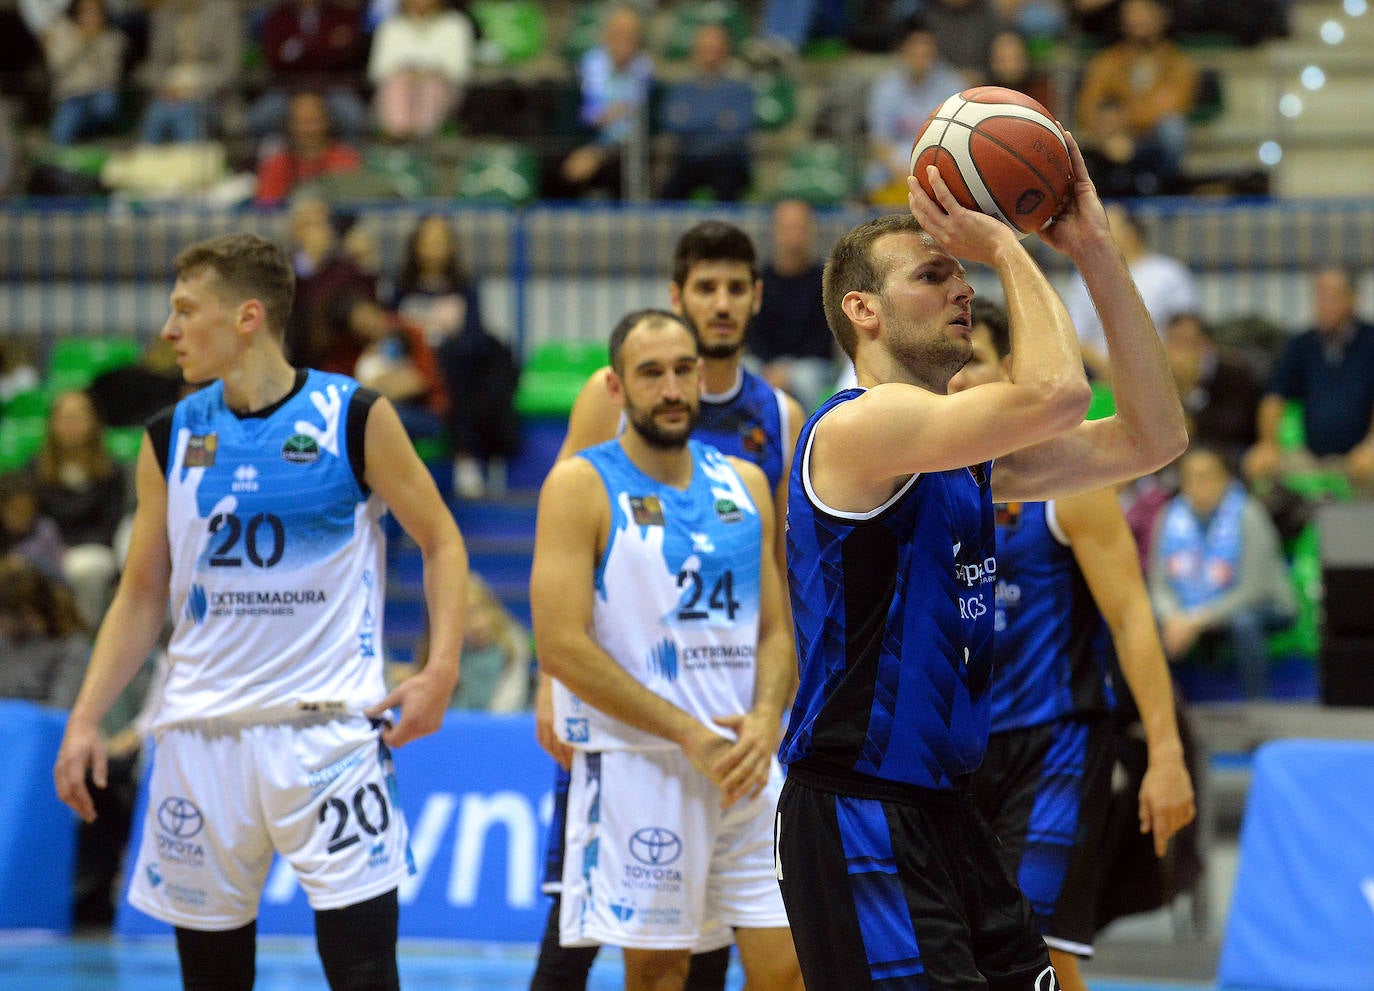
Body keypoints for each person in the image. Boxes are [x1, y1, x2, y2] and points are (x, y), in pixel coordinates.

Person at [775, 130, 1189, 989]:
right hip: (858, 806)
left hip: (946, 809)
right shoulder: (858, 425)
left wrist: (1094, 250)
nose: (963, 285)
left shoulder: (965, 459)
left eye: (962, 271)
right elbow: (1057, 393)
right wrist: (1006, 240)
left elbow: (1156, 436)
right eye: (934, 273)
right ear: (864, 310)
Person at [52, 232, 469, 991]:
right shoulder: (171, 434)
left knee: (366, 974)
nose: (168, 330)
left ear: (247, 316)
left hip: (329, 735)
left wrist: (441, 670)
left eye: (186, 310)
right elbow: (142, 592)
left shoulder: (352, 415)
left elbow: (442, 540)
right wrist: (87, 715)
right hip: (199, 740)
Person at [529, 220, 804, 991]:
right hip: (638, 751)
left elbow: (777, 612)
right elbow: (561, 625)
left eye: (683, 371)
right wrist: (555, 691)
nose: (675, 386)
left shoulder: (754, 456)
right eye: (653, 373)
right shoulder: (587, 472)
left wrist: (766, 718)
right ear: (620, 384)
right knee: (621, 958)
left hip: (746, 755)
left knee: (790, 966)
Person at [949, 298, 1195, 991]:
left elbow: (1131, 619)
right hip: (957, 750)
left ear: (1009, 373)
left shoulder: (1070, 485)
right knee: (969, 955)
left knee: (1037, 953)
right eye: (951, 368)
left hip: (1057, 740)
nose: (959, 381)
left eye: (973, 363)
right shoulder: (928, 480)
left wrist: (1166, 753)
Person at [1150, 446, 1297, 700]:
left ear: (1226, 480)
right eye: (1191, 477)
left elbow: (1254, 589)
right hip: (1188, 612)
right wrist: (1174, 617)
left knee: (1244, 622)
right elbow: (1160, 585)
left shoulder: (1248, 513)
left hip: (1263, 605)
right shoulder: (1169, 517)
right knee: (1144, 619)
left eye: (1207, 476)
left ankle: (1258, 708)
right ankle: (1166, 708)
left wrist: (1196, 620)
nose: (1199, 485)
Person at [389, 213, 518, 500]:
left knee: (456, 368)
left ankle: (465, 457)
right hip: (417, 377)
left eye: (441, 241)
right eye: (428, 241)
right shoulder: (400, 288)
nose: (434, 248)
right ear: (416, 245)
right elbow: (393, 337)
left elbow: (475, 337)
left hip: (458, 375)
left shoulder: (465, 287)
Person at [1243, 266, 1374, 494]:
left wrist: (1370, 445)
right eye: (1319, 296)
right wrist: (1268, 443)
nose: (1323, 304)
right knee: (1258, 464)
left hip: (1360, 452)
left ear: (1353, 298)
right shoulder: (1302, 344)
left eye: (1332, 296)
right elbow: (1274, 398)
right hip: (1310, 453)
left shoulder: (1370, 340)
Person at [1075, 0, 1198, 197]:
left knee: (1173, 129)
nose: (1139, 19)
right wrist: (1111, 133)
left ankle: (1162, 188)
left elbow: (1175, 107)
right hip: (1114, 141)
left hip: (1152, 144)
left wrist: (1123, 119)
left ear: (1161, 18)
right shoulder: (1107, 61)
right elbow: (1088, 108)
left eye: (1145, 12)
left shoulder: (1178, 63)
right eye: (1133, 13)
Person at [1063, 203, 1197, 379]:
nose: (1093, 233)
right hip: (1100, 375)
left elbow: (1186, 330)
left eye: (1104, 226)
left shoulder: (1169, 273)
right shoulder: (1083, 278)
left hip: (1161, 371)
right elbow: (1074, 335)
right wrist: (1106, 368)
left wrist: (1154, 366)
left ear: (1131, 232)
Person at [30, 389, 127, 628]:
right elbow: (32, 521)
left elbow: (110, 525)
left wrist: (67, 550)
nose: (70, 424)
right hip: (47, 549)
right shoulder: (35, 469)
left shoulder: (111, 471)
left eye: (78, 417)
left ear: (93, 422)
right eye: (64, 417)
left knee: (83, 567)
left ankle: (84, 634)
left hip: (94, 549)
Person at [864, 14, 967, 207]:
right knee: (873, 176)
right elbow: (880, 143)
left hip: (939, 167)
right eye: (915, 46)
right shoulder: (885, 87)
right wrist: (906, 176)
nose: (921, 53)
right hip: (895, 170)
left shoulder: (952, 84)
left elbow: (959, 139)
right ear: (903, 50)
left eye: (926, 47)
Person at [552, 4, 653, 201]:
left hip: (628, 153)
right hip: (583, 145)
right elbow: (565, 122)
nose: (624, 41)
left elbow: (652, 126)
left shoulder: (647, 76)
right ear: (605, 36)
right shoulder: (583, 72)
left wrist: (600, 154)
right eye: (618, 33)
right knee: (559, 169)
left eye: (631, 35)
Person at [748, 199, 836, 414]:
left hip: (809, 365)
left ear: (811, 231)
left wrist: (787, 370)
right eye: (788, 227)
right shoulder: (758, 280)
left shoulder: (825, 281)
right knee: (744, 372)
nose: (794, 236)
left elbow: (825, 338)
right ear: (775, 231)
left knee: (807, 379)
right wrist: (772, 367)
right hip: (764, 362)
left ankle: (809, 436)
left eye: (800, 228)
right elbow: (751, 333)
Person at [659, 22, 755, 203]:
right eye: (706, 48)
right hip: (688, 158)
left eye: (715, 48)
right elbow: (671, 124)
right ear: (695, 51)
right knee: (667, 195)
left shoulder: (741, 89)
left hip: (727, 159)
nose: (710, 54)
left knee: (728, 183)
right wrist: (717, 120)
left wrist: (693, 120)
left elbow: (740, 128)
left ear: (726, 51)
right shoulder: (681, 89)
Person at [248, 0, 368, 143]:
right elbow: (275, 59)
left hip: (333, 84)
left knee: (353, 117)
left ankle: (348, 163)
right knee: (259, 120)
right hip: (287, 86)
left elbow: (350, 56)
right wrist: (326, 44)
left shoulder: (344, 15)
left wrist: (298, 48)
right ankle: (267, 163)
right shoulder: (277, 17)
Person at [134, 0, 242, 145]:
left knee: (183, 112)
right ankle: (145, 163)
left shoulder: (224, 12)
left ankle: (190, 164)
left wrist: (193, 87)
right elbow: (156, 65)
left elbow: (230, 68)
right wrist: (165, 86)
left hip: (212, 95)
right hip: (169, 93)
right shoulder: (163, 15)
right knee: (156, 113)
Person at [1163, 311, 1264, 462]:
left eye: (1188, 342)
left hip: (1232, 451)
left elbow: (1236, 427)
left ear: (1205, 343)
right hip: (1181, 454)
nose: (1180, 351)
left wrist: (1190, 391)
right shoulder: (1161, 375)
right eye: (1174, 342)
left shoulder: (1235, 372)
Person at [368, 0, 474, 141]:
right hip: (399, 87)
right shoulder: (391, 25)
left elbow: (459, 71)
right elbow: (378, 71)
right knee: (399, 85)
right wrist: (409, 73)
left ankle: (421, 140)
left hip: (444, 88)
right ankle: (398, 137)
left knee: (430, 87)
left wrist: (427, 73)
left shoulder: (455, 24)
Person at [0, 554, 89, 709]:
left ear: (26, 613)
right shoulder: (6, 639)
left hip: (42, 727)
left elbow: (60, 710)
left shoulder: (69, 643)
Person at [254, 90, 363, 207]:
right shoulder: (275, 165)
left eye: (312, 121)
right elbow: (265, 209)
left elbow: (352, 206)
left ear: (326, 122)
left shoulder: (345, 160)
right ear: (289, 125)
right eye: (300, 122)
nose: (306, 130)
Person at [41, 0, 127, 146]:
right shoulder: (62, 33)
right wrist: (82, 43)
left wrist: (97, 43)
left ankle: (100, 138)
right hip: (71, 94)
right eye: (86, 12)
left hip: (99, 92)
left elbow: (112, 76)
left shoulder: (111, 39)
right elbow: (57, 67)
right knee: (60, 138)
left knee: (105, 105)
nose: (90, 17)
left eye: (95, 13)